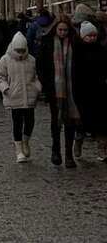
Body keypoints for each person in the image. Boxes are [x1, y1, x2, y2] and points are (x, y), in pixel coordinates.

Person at [37, 14, 80, 168]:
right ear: (55, 29)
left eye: (65, 30)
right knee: (56, 120)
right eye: (60, 30)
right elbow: (40, 66)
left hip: (72, 89)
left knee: (70, 121)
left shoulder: (75, 43)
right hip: (54, 89)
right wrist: (46, 85)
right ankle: (56, 150)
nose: (63, 33)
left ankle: (68, 154)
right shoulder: (47, 43)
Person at [0, 32, 41, 162]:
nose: (20, 53)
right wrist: (6, 89)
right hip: (14, 96)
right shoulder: (5, 59)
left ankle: (26, 141)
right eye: (18, 50)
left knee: (30, 121)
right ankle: (18, 149)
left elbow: (37, 76)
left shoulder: (31, 60)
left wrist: (37, 88)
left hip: (30, 95)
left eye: (22, 50)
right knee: (17, 123)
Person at [73, 21, 107, 160]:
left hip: (100, 91)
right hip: (83, 92)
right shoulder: (77, 51)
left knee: (102, 123)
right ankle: (78, 141)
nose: (92, 38)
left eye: (94, 35)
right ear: (83, 37)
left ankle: (102, 149)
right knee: (82, 122)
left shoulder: (101, 50)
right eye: (89, 36)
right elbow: (75, 73)